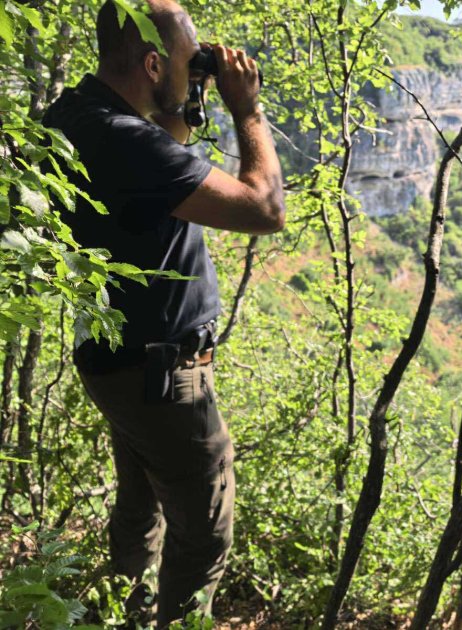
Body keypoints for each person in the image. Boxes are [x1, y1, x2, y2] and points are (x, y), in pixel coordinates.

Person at [42, 0, 285, 625]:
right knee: (201, 537)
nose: (197, 62)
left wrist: (186, 92)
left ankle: (115, 614)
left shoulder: (76, 114)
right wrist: (246, 110)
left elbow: (158, 155)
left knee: (139, 508)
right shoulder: (129, 142)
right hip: (162, 377)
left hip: (113, 362)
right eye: (184, 57)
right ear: (152, 64)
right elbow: (264, 209)